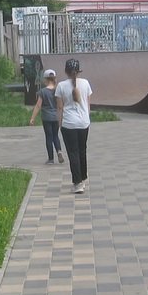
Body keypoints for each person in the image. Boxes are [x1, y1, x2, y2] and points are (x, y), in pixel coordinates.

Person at [54, 58, 92, 194]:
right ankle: (83, 177)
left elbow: (59, 107)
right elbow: (88, 105)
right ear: (79, 71)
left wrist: (60, 124)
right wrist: (87, 118)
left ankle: (78, 183)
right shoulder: (86, 83)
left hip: (69, 123)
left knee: (73, 153)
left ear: (66, 71)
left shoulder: (61, 86)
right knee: (82, 150)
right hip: (84, 123)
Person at [28, 68, 65, 164]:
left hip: (46, 118)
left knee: (49, 137)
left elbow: (38, 105)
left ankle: (51, 159)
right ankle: (59, 151)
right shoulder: (58, 90)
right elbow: (60, 105)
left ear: (45, 79)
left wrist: (32, 118)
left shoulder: (43, 91)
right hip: (56, 117)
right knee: (55, 136)